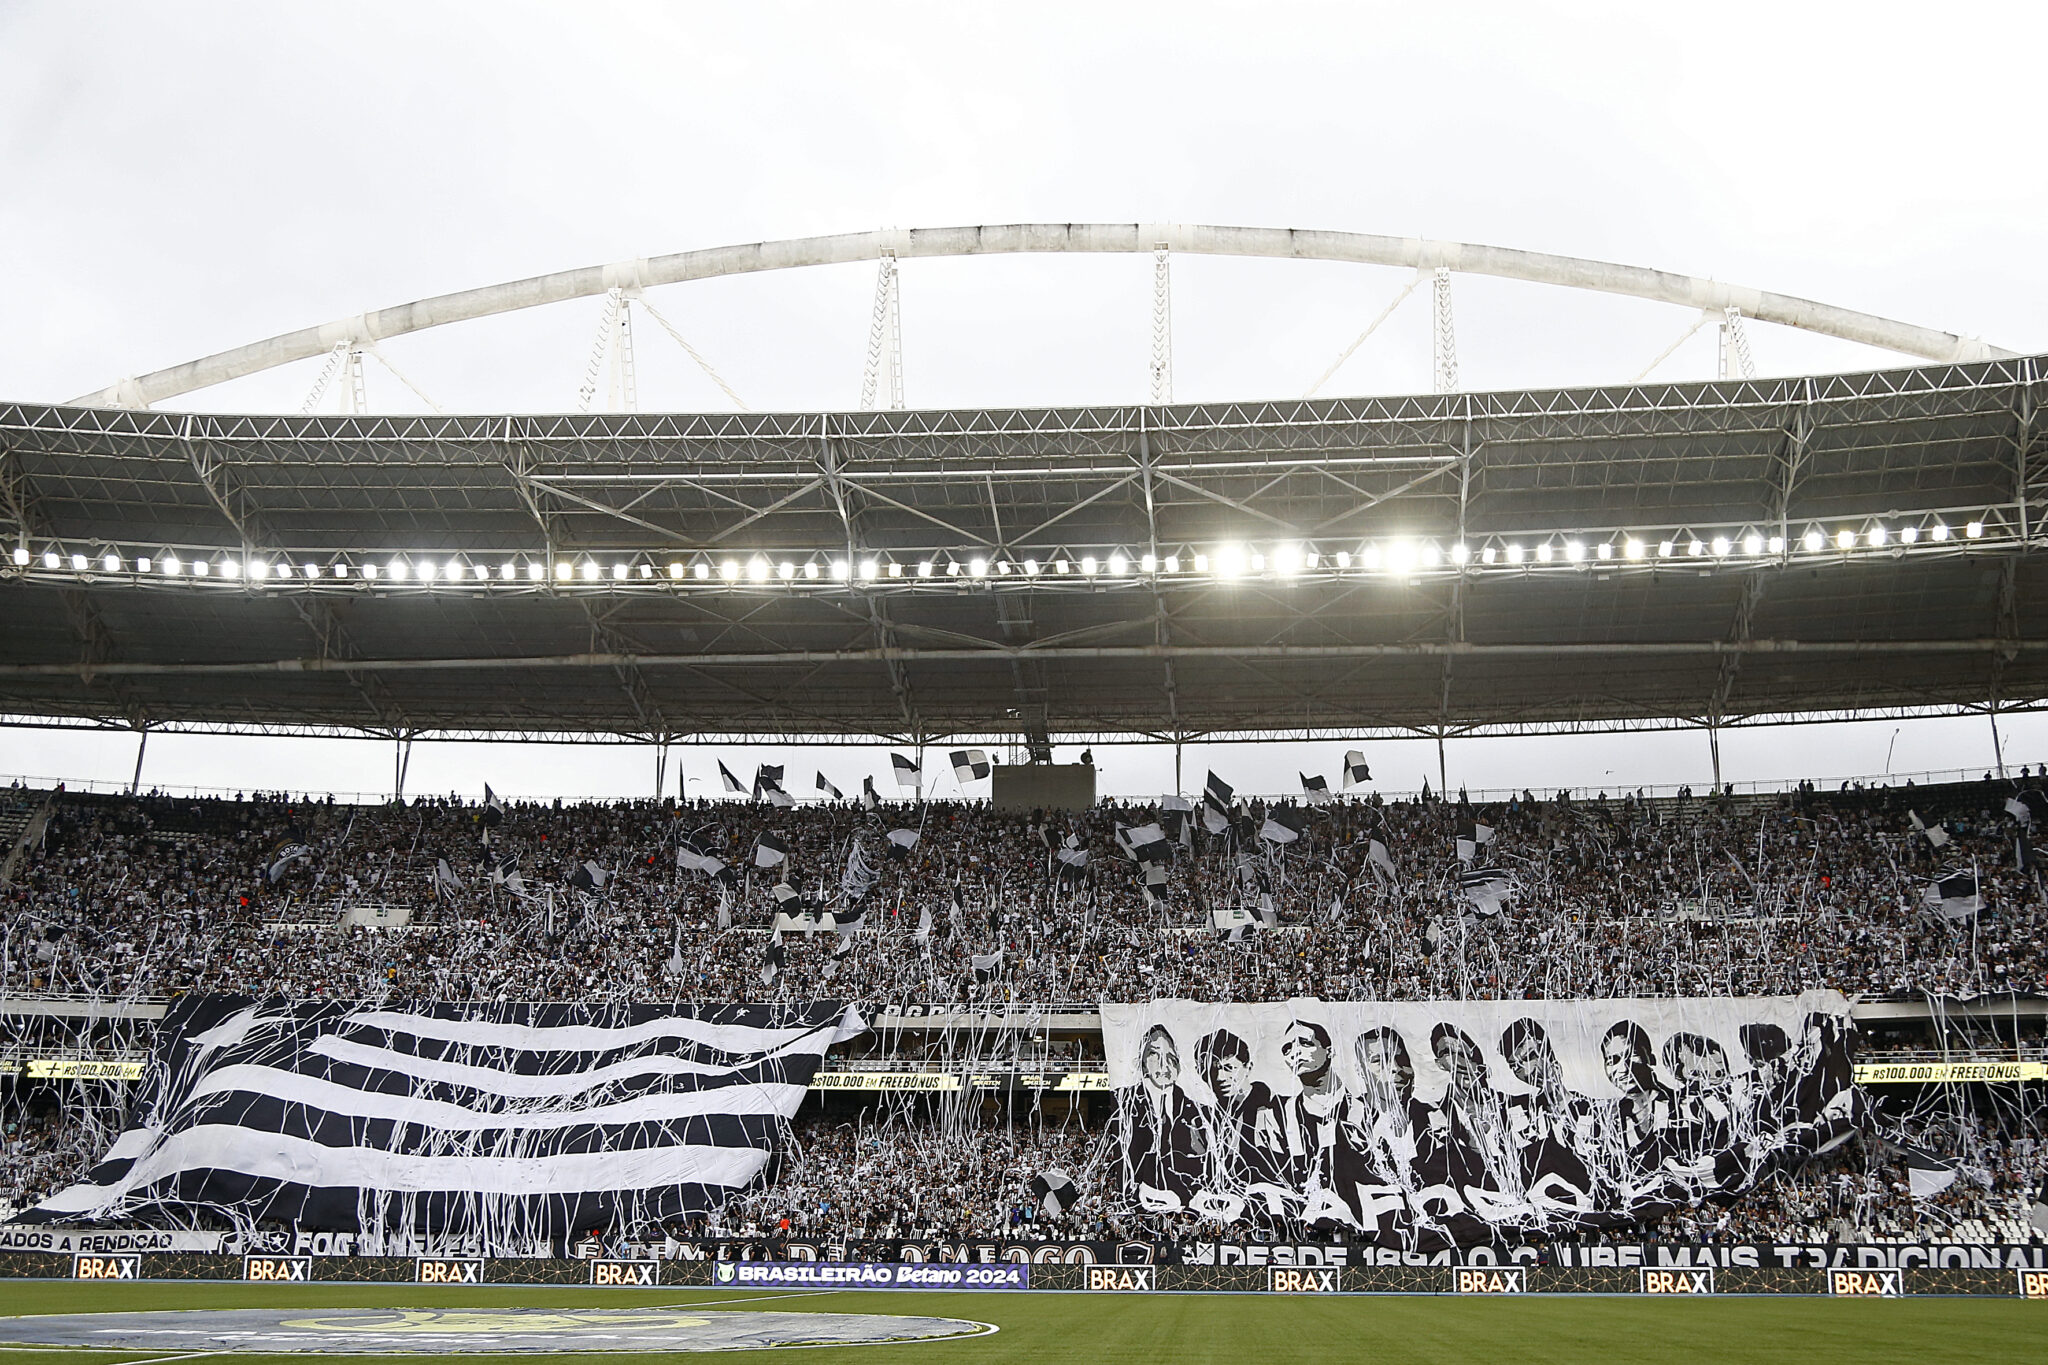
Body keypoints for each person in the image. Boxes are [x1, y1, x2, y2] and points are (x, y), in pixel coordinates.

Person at [1498, 1018, 1598, 1217]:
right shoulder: (1519, 1111)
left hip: (1585, 1208)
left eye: (1530, 1057)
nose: (1525, 1070)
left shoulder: (1590, 1109)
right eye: (1514, 1066)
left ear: (1547, 1052)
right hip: (1539, 1212)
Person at [1115, 1024, 1204, 1211]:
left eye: (1170, 1057)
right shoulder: (1124, 1103)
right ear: (1142, 1062)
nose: (1164, 1065)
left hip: (1186, 1204)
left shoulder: (1197, 1111)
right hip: (1140, 1203)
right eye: (1154, 1055)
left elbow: (1203, 1161)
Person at [1192, 1028, 1286, 1203]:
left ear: (1248, 1067)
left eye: (1229, 1068)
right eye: (1212, 1070)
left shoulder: (1279, 1109)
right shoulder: (1205, 1120)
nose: (1220, 1077)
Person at [1275, 1019, 1348, 1219]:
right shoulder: (1280, 1114)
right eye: (1287, 1049)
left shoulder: (1362, 1109)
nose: (1294, 1052)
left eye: (1305, 1043)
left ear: (1329, 1051)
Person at [1598, 1019, 1677, 1201]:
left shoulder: (1678, 1104)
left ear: (1650, 1057)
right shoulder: (1610, 1121)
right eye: (1613, 1061)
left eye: (1630, 1056)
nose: (1623, 1068)